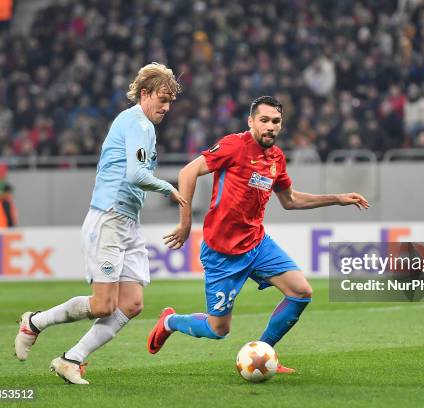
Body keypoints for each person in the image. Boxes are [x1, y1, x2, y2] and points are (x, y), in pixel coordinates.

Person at [147, 96, 369, 372]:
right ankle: (170, 321)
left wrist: (337, 198)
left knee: (301, 292)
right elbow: (188, 172)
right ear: (251, 121)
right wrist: (185, 223)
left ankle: (263, 354)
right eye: (264, 120)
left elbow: (290, 200)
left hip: (257, 244)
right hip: (222, 253)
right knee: (218, 330)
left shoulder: (276, 158)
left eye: (275, 122)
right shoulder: (234, 145)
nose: (270, 127)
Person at [14, 62, 187, 384]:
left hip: (128, 221)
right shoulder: (138, 123)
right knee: (103, 305)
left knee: (132, 303)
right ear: (145, 94)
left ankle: (71, 359)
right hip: (110, 217)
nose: (166, 107)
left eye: (170, 102)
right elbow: (136, 174)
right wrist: (168, 188)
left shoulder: (141, 126)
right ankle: (35, 322)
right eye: (162, 99)